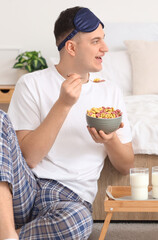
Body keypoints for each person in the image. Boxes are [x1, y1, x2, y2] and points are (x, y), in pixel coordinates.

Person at [0, 6, 134, 239]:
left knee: (78, 222)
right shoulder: (32, 83)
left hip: (69, 200)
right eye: (95, 41)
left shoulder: (109, 92)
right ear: (71, 47)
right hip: (27, 189)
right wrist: (63, 104)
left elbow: (126, 166)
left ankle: (10, 234)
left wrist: (110, 140)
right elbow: (29, 158)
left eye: (103, 39)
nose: (105, 48)